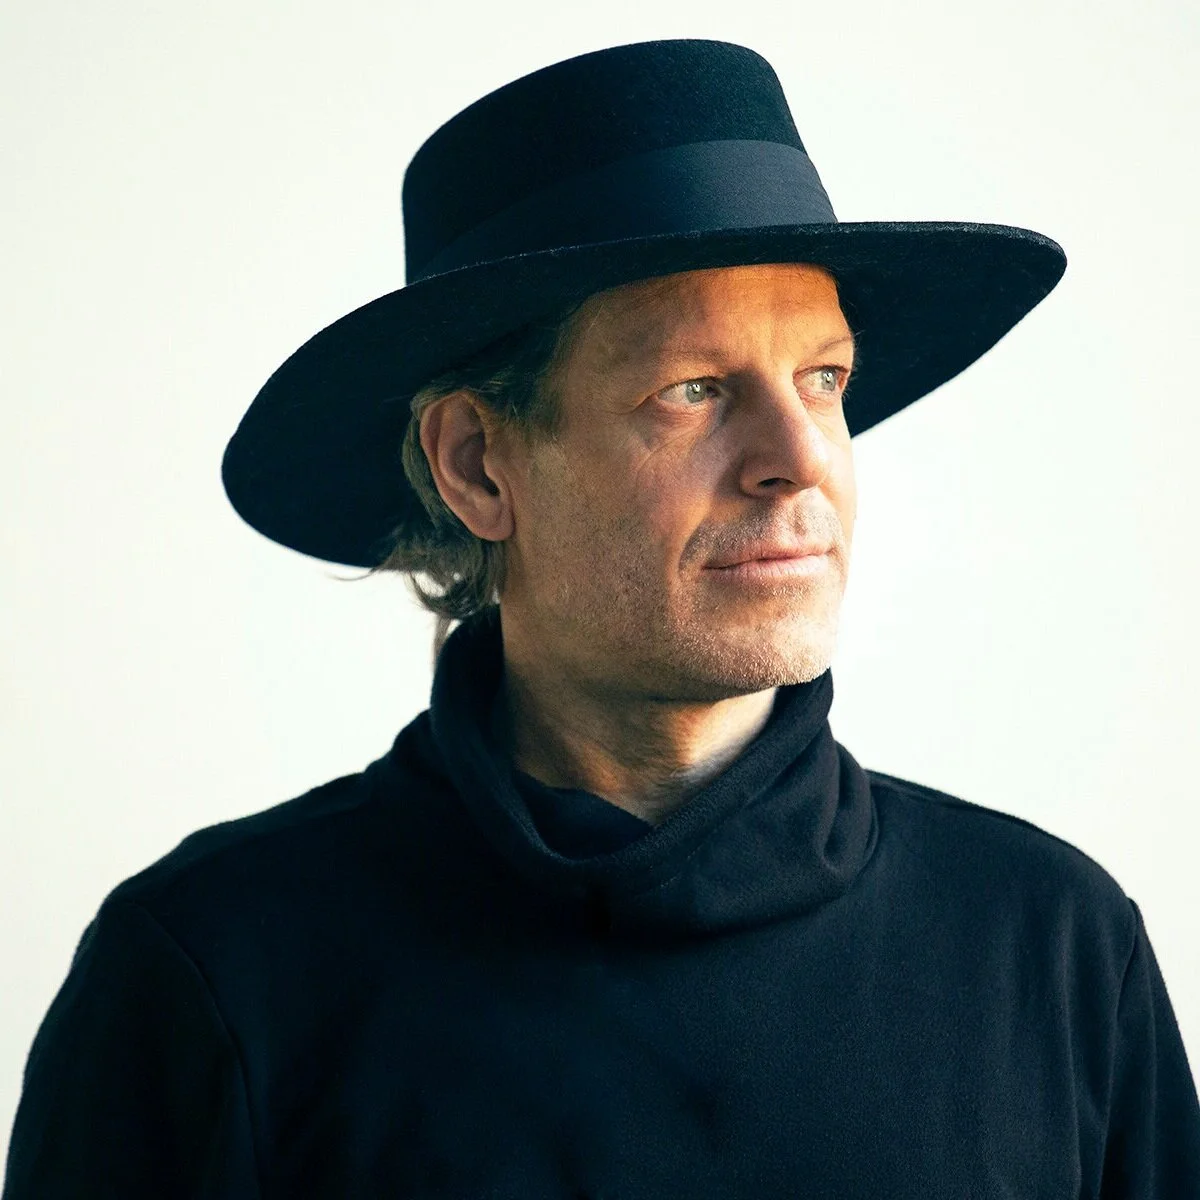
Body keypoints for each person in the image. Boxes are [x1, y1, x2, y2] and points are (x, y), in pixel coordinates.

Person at [5, 38, 1199, 1199]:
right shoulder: (214, 974)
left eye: (825, 379)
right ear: (477, 465)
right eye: (694, 390)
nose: (800, 459)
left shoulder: (1050, 946)